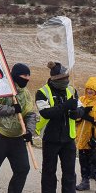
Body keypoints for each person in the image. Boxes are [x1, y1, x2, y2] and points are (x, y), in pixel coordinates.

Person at [0, 63, 36, 193]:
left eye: (29, 76)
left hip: (17, 136)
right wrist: (11, 109)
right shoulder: (1, 87)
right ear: (16, 75)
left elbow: (30, 114)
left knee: (23, 168)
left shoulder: (26, 93)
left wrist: (29, 131)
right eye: (24, 75)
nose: (27, 78)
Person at [36, 61, 79, 193]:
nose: (66, 81)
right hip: (50, 138)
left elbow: (81, 108)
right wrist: (67, 105)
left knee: (70, 173)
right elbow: (46, 112)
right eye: (63, 79)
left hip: (69, 139)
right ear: (56, 79)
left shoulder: (72, 90)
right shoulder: (42, 92)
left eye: (67, 78)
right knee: (49, 172)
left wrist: (78, 113)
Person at [75, 77, 96, 191]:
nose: (89, 91)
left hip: (94, 139)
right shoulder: (81, 100)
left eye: (92, 89)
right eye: (88, 88)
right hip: (82, 137)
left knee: (94, 161)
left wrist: (89, 117)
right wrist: (82, 114)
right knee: (83, 161)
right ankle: (85, 181)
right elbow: (75, 117)